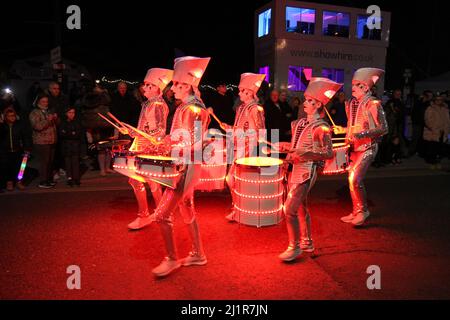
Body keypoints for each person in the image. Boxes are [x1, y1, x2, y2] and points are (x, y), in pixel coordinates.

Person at [151, 56, 211, 277]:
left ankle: (171, 259)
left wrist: (168, 147)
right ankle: (198, 254)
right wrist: (165, 142)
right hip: (184, 165)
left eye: (176, 84)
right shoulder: (186, 107)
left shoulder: (192, 109)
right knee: (187, 209)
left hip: (185, 168)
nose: (172, 88)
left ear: (187, 85)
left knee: (161, 215)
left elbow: (195, 144)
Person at [276, 78, 338, 261]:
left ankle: (294, 247)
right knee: (301, 206)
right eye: (306, 99)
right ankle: (307, 241)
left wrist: (303, 153)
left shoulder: (322, 127)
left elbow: (327, 153)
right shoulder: (299, 123)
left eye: (310, 101)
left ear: (318, 104)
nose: (305, 103)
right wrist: (285, 147)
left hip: (307, 171)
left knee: (289, 209)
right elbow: (296, 145)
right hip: (294, 169)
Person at [334, 68, 388, 226]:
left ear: (366, 87)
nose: (353, 87)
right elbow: (353, 127)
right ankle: (357, 210)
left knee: (355, 179)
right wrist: (343, 130)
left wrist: (360, 135)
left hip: (368, 147)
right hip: (354, 148)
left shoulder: (373, 104)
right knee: (351, 181)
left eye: (357, 84)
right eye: (353, 84)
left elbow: (383, 128)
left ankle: (363, 211)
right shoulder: (351, 104)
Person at [120, 68, 173, 230]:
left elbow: (159, 131)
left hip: (151, 149)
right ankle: (157, 213)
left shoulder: (157, 104)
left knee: (151, 182)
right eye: (145, 85)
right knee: (143, 181)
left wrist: (138, 133)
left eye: (149, 86)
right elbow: (147, 127)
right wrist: (131, 131)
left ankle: (156, 214)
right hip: (143, 146)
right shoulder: (150, 103)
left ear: (158, 88)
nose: (145, 88)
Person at [218, 73, 266, 222]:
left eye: (242, 90)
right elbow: (239, 128)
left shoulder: (255, 108)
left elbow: (260, 132)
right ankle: (238, 207)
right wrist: (229, 128)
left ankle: (240, 208)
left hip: (247, 148)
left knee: (233, 178)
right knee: (232, 179)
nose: (239, 93)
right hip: (239, 146)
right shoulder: (241, 108)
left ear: (250, 92)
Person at [81, 85, 114, 176]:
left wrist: (104, 93)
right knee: (101, 150)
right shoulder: (90, 98)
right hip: (96, 126)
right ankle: (102, 169)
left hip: (106, 125)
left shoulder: (103, 97)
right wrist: (101, 94)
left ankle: (107, 168)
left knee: (108, 149)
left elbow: (108, 101)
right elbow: (89, 104)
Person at [29, 93, 58, 188]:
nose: (46, 103)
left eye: (47, 101)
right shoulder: (34, 112)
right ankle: (43, 181)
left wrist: (56, 119)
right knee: (44, 162)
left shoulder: (48, 111)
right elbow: (37, 126)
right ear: (38, 102)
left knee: (50, 161)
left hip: (52, 140)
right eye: (43, 101)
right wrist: (48, 120)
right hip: (41, 141)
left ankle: (49, 179)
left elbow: (56, 125)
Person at [0, 108, 32, 191]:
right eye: (9, 116)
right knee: (6, 167)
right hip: (5, 151)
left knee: (20, 167)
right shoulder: (2, 126)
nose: (12, 117)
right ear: (5, 117)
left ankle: (19, 182)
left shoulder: (20, 125)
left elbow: (25, 137)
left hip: (18, 150)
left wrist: (27, 149)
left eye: (13, 115)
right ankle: (9, 182)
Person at [423, 94, 450, 169]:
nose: (439, 101)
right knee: (432, 148)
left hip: (443, 132)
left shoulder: (445, 109)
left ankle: (437, 162)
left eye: (440, 100)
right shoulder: (430, 108)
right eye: (437, 100)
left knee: (440, 149)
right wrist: (434, 128)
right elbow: (427, 120)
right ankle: (432, 162)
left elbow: (447, 120)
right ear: (434, 101)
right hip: (433, 132)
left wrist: (446, 129)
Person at [59, 107, 84, 187]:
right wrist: (71, 133)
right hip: (66, 146)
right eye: (70, 112)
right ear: (66, 113)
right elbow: (62, 134)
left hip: (75, 146)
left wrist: (68, 133)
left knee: (75, 163)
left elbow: (78, 134)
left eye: (73, 112)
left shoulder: (77, 122)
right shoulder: (63, 123)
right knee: (68, 163)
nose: (71, 114)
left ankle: (76, 179)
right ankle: (69, 178)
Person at [410, 90, 433, 157]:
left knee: (423, 138)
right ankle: (412, 151)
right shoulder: (419, 102)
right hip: (417, 123)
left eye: (431, 96)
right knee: (415, 137)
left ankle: (420, 151)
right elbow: (415, 112)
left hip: (425, 124)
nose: (430, 97)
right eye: (428, 96)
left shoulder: (429, 104)